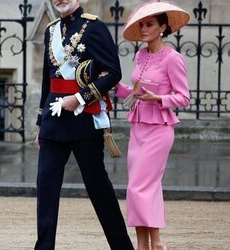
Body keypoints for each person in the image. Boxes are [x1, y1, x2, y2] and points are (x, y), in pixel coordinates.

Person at [34, 0, 134, 249]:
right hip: (52, 121)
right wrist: (39, 123)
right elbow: (49, 81)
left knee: (98, 187)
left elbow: (113, 72)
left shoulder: (94, 27)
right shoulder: (51, 30)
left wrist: (80, 97)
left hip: (83, 121)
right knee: (46, 189)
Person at [115, 1, 190, 250]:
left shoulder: (173, 58)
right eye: (142, 24)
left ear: (163, 27)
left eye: (149, 24)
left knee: (138, 187)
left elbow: (184, 97)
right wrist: (110, 85)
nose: (144, 29)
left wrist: (159, 98)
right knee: (148, 188)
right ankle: (150, 245)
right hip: (138, 127)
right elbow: (135, 91)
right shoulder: (140, 55)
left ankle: (150, 245)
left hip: (159, 130)